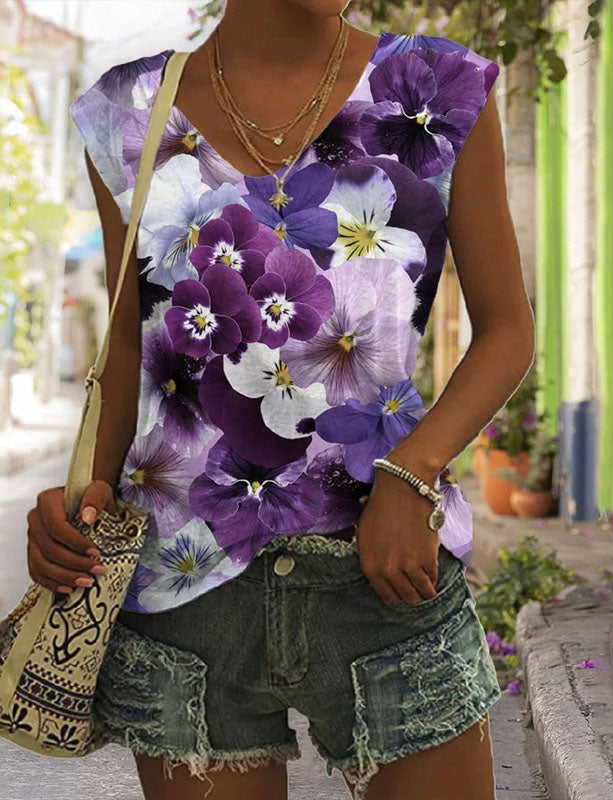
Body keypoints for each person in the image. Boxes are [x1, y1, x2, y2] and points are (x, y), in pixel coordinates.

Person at [27, 1, 534, 798]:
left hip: (386, 569)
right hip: (186, 591)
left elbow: (507, 330)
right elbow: (128, 341)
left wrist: (413, 470)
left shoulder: (437, 89)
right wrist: (76, 500)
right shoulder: (125, 109)